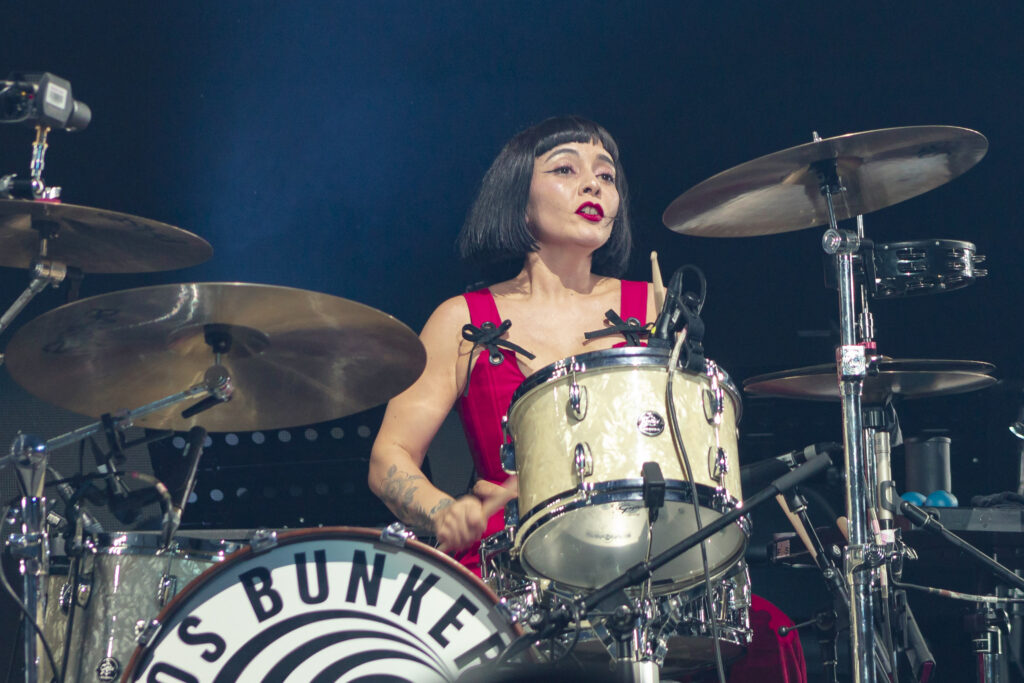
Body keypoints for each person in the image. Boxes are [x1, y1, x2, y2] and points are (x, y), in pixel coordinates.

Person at [368, 115, 805, 682]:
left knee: (770, 634)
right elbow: (388, 458)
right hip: (511, 573)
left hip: (648, 562)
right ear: (517, 199)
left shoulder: (652, 304)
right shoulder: (461, 319)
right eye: (566, 170)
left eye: (606, 175)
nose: (593, 185)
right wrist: (443, 512)